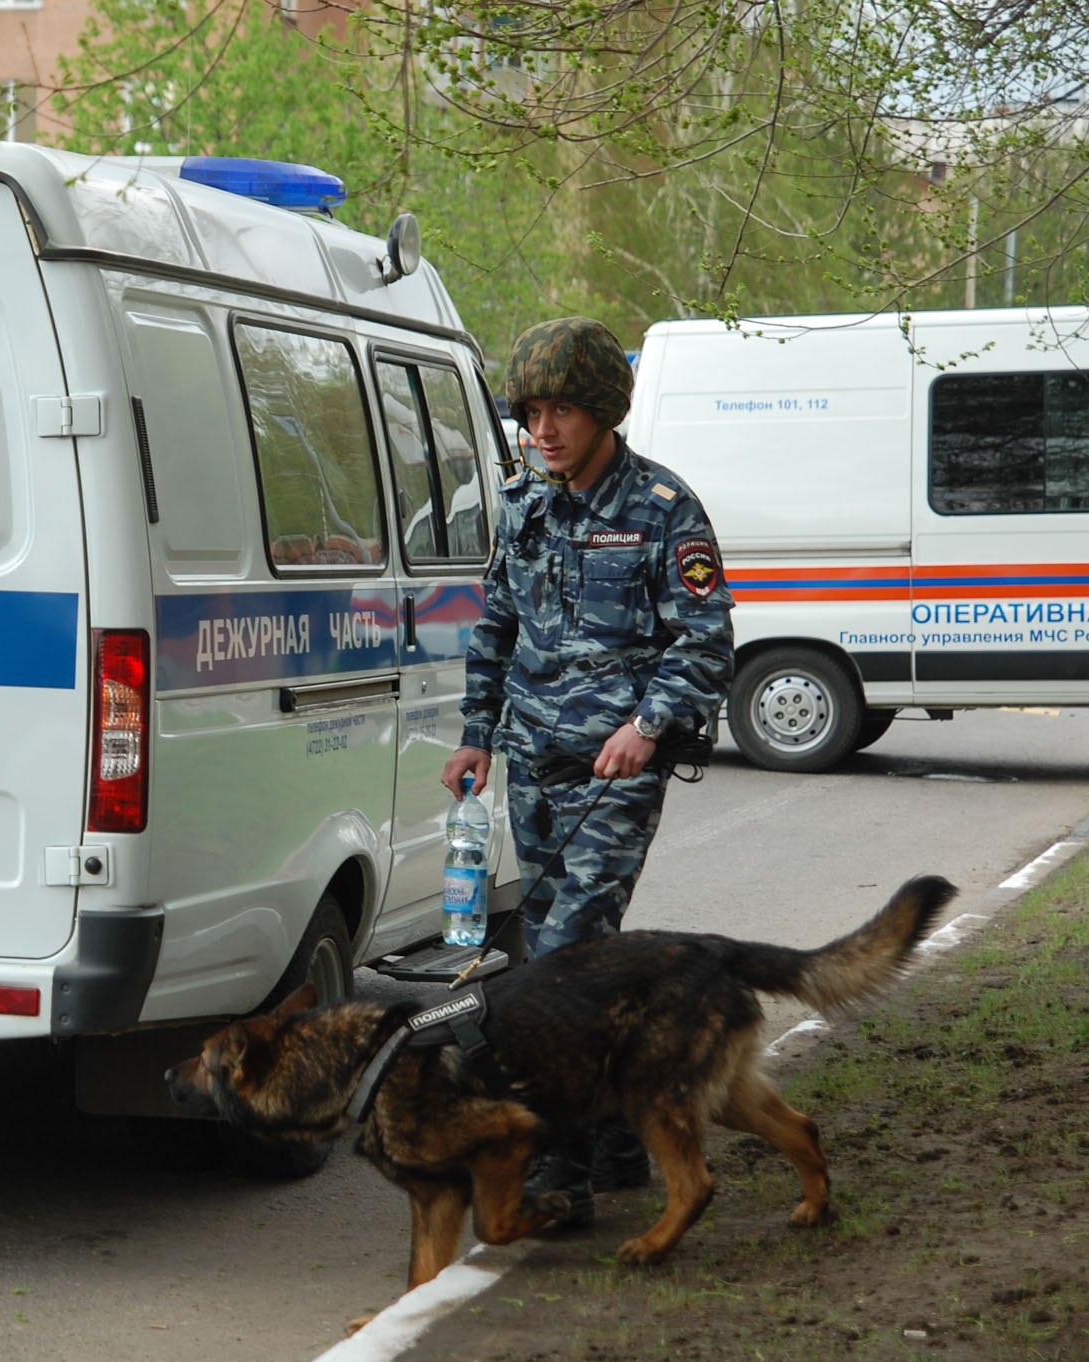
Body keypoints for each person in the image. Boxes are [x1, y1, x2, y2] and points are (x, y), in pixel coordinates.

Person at [440, 315, 735, 1225]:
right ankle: (617, 1140)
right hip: (532, 758)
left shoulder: (662, 509)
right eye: (532, 412)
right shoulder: (527, 506)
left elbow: (705, 640)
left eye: (562, 409)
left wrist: (648, 726)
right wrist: (476, 732)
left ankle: (555, 1168)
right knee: (566, 948)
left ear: (603, 409)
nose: (544, 430)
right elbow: (495, 626)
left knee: (563, 960)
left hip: (617, 769)